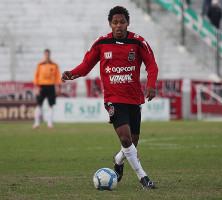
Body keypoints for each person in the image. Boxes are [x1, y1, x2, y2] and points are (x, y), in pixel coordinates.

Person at [61, 6, 158, 189]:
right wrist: (71, 74)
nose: (119, 26)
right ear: (110, 24)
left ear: (128, 23)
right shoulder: (101, 43)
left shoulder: (138, 43)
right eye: (115, 23)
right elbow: (86, 66)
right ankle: (143, 177)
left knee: (132, 144)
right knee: (125, 139)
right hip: (113, 98)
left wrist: (151, 84)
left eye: (122, 22)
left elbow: (152, 65)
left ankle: (118, 158)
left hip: (134, 98)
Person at [33, 49, 61, 129]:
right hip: (41, 86)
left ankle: (49, 123)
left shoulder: (54, 65)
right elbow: (36, 76)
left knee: (51, 105)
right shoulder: (40, 65)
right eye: (46, 54)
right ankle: (36, 123)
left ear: (50, 54)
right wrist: (36, 87)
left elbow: (57, 76)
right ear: (44, 55)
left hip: (51, 86)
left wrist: (58, 87)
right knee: (39, 104)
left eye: (48, 54)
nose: (47, 55)